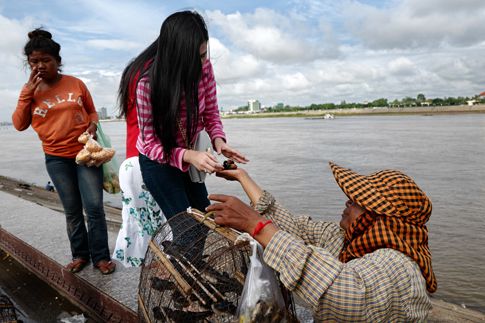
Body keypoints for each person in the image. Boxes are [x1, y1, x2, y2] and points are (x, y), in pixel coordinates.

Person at [207, 162, 436, 321]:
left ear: (379, 217)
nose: (348, 202)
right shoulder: (345, 240)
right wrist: (243, 177)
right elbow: (295, 229)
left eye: (357, 201)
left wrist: (256, 226)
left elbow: (347, 295)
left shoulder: (401, 265)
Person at [132, 11, 248, 260]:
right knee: (187, 229)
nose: (203, 63)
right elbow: (151, 144)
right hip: (158, 162)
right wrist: (188, 155)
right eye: (196, 58)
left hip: (190, 156)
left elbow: (211, 112)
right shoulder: (147, 86)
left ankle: (186, 271)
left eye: (204, 54)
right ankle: (183, 283)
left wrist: (219, 140)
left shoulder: (204, 67)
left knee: (204, 218)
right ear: (175, 56)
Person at [12, 28, 115, 275]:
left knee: (94, 207)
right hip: (56, 159)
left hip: (86, 155)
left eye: (46, 60)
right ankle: (80, 255)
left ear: (58, 61)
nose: (40, 65)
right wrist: (27, 92)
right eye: (34, 61)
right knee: (71, 210)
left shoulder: (75, 83)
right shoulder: (30, 92)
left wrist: (92, 125)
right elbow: (19, 124)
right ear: (29, 63)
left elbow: (92, 111)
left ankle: (101, 257)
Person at [112, 39, 169, 267]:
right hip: (153, 160)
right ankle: (162, 271)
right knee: (165, 224)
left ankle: (151, 270)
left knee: (140, 222)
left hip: (132, 161)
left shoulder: (134, 69)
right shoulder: (156, 73)